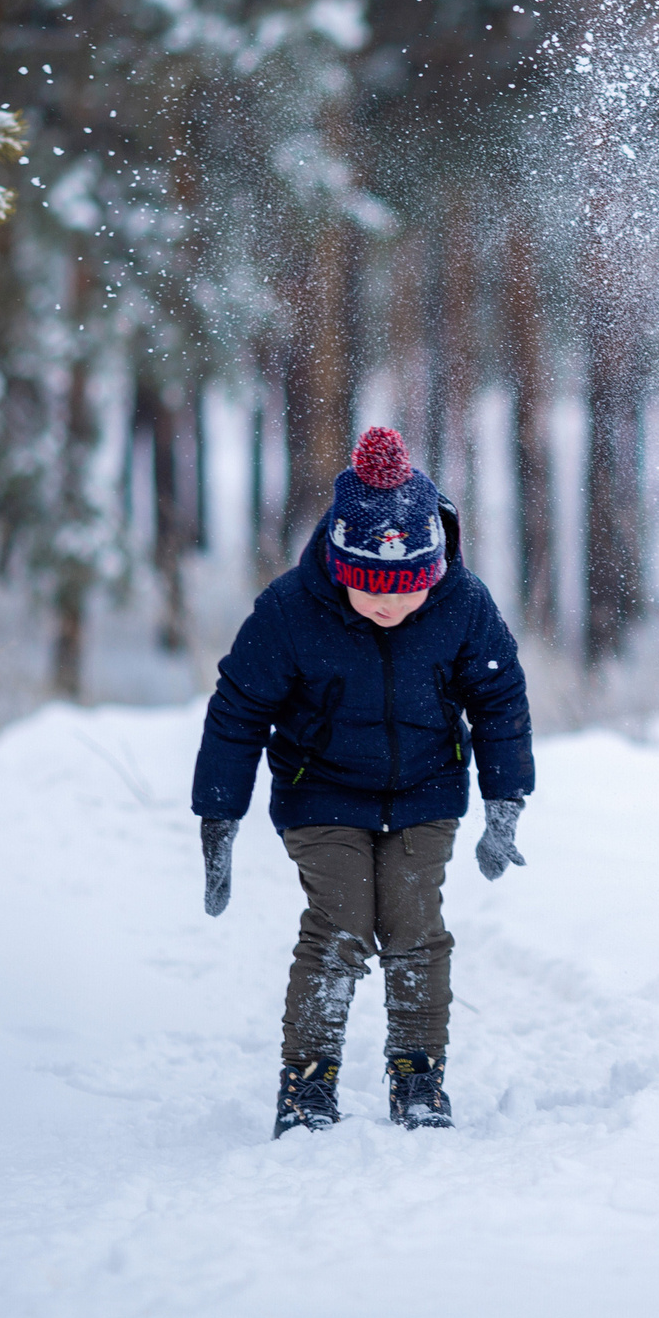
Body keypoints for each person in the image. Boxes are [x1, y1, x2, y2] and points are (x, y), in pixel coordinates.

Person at [192, 426, 535, 1137]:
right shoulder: (291, 610)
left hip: (425, 793)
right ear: (338, 564)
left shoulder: (463, 605)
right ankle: (307, 1084)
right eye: (369, 589)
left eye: (404, 592)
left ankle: (418, 1076)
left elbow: (499, 698)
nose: (387, 607)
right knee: (342, 923)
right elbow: (238, 709)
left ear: (431, 572)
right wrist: (218, 816)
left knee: (413, 925)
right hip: (322, 794)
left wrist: (506, 800)